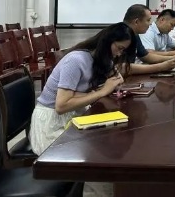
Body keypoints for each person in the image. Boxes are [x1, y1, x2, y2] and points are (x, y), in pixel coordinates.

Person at [29, 22, 132, 155]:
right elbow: (61, 106)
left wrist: (113, 77)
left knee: (102, 140)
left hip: (73, 114)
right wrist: (102, 92)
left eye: (123, 50)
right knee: (94, 149)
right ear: (107, 42)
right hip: (52, 122)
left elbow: (117, 80)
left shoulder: (100, 59)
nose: (119, 54)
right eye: (119, 48)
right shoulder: (76, 60)